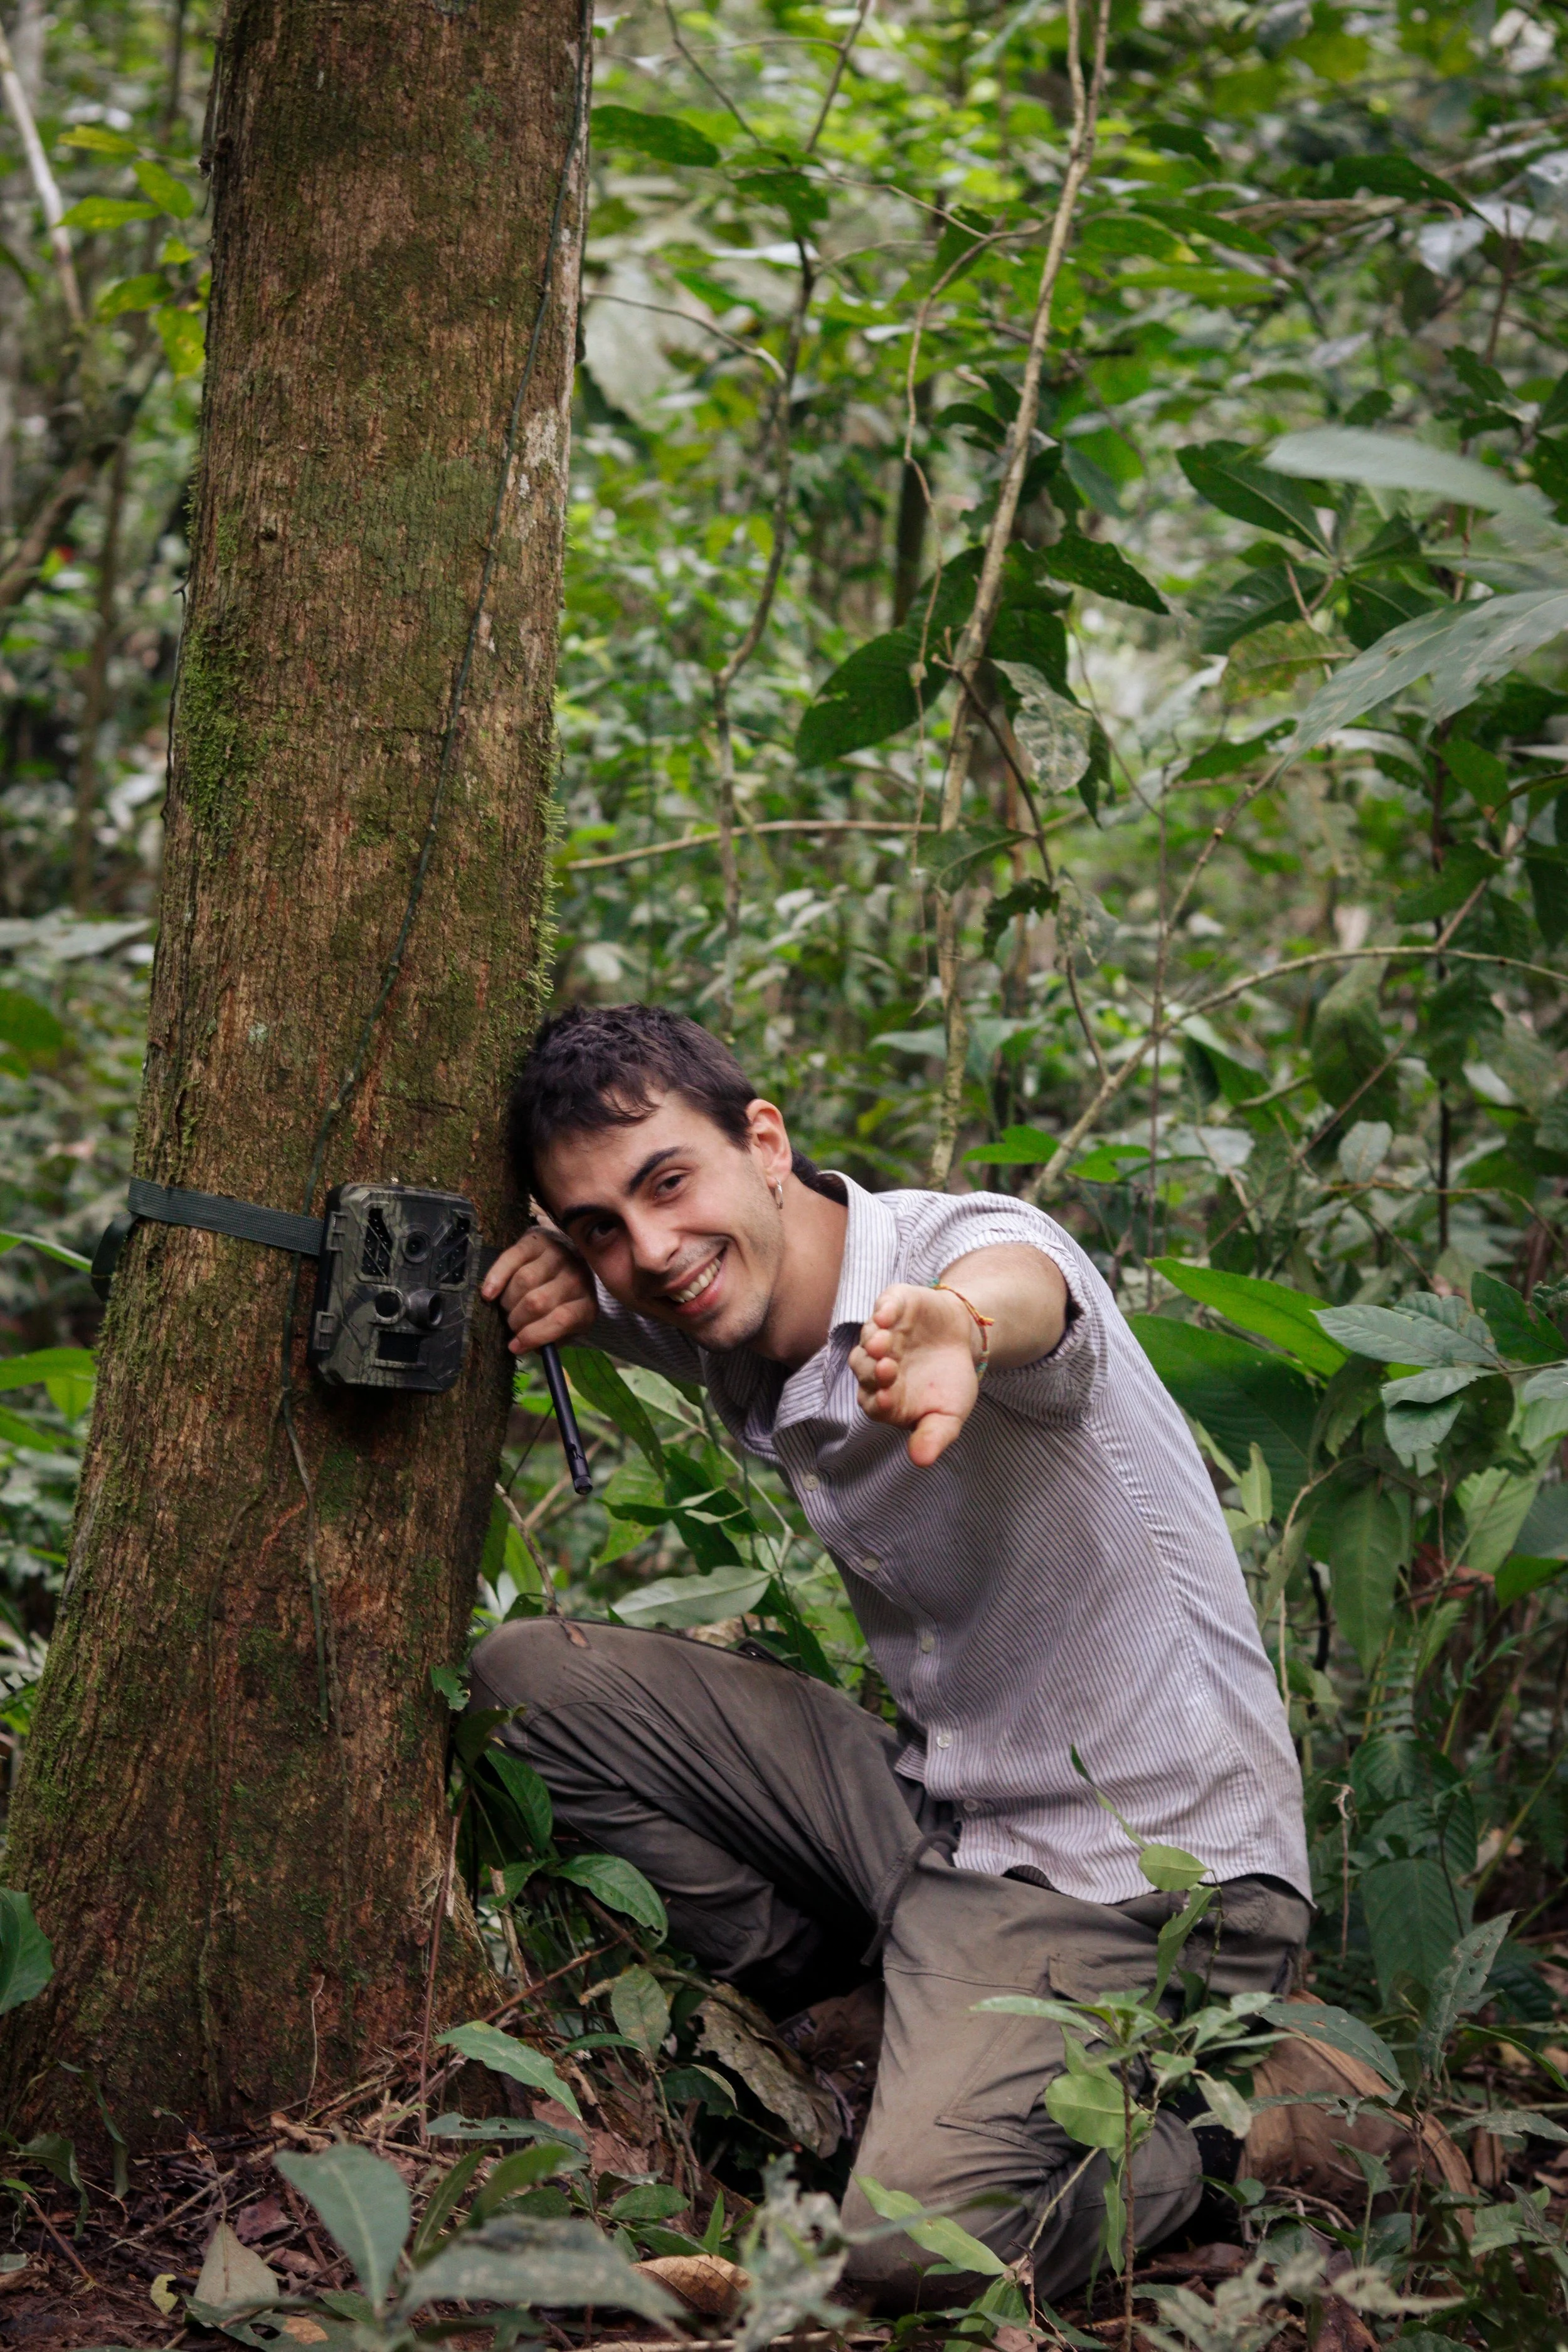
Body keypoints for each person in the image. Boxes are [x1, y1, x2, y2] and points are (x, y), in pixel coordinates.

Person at [473, 1002, 1311, 2307]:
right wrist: (566, 1278)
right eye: (600, 1225)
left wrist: (957, 1332)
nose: (650, 1249)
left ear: (765, 1139)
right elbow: (638, 1279)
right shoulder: (713, 1292)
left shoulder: (953, 1257)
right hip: (937, 1815)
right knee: (527, 1689)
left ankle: (1217, 2134)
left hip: (1138, 1878)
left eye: (667, 1183)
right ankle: (866, 2007)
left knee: (899, 2250)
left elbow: (1018, 1284)